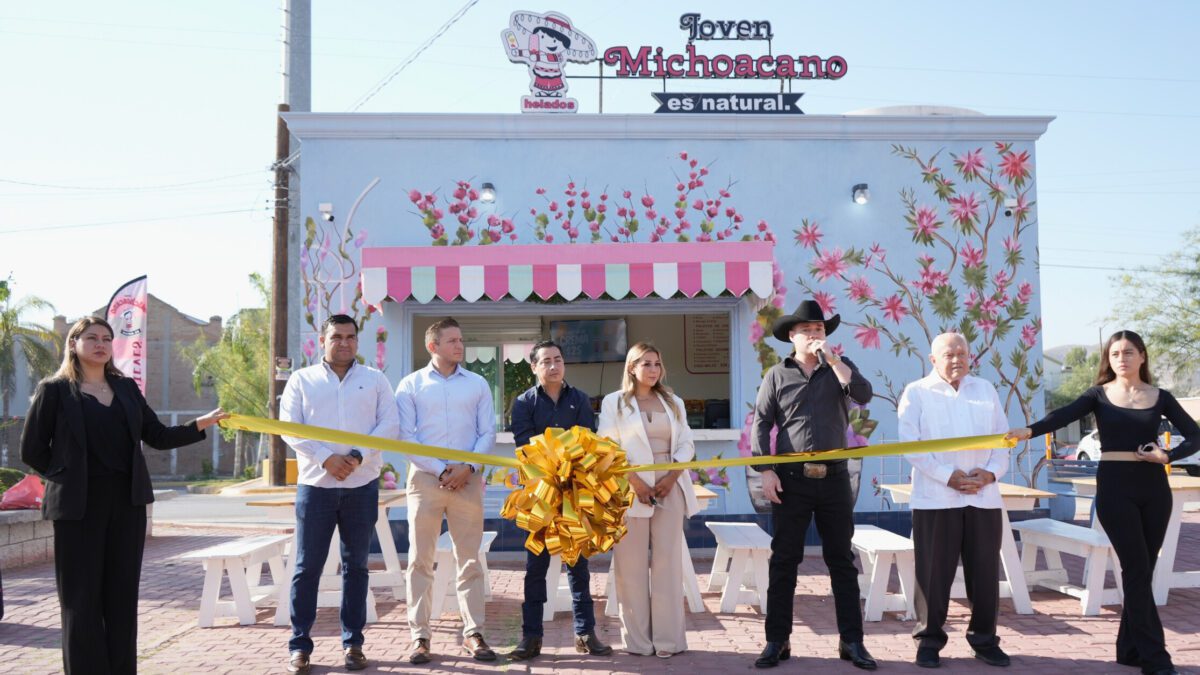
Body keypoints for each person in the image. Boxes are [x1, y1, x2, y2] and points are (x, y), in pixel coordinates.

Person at [20, 317, 227, 674]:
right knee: (80, 600)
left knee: (120, 597)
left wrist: (200, 424)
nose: (100, 344)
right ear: (73, 344)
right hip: (78, 507)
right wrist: (66, 477)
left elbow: (157, 436)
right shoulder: (53, 390)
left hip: (126, 504)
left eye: (106, 338)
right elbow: (32, 450)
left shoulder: (127, 388)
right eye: (91, 338)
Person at [1008, 330, 1198, 675]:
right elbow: (1061, 416)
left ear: (1142, 356)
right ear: (1108, 360)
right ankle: (1156, 659)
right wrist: (1028, 431)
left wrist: (1168, 455)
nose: (1121, 359)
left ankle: (1128, 650)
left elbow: (1197, 435)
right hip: (1114, 488)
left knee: (1143, 571)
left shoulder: (1161, 396)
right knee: (1136, 569)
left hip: (1155, 490)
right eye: (1114, 354)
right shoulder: (1099, 395)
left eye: (1128, 352)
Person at [751, 300, 876, 670]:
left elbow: (864, 396)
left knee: (841, 561)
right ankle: (777, 641)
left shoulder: (841, 368)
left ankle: (851, 642)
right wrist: (766, 470)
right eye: (806, 330)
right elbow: (761, 422)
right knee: (785, 561)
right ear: (792, 336)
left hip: (835, 478)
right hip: (791, 482)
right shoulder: (776, 374)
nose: (814, 334)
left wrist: (835, 362)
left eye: (819, 329)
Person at [279, 314, 400, 674]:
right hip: (316, 487)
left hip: (361, 486)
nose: (344, 342)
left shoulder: (375, 380)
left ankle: (354, 644)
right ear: (322, 340)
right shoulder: (302, 380)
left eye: (350, 337)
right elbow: (289, 427)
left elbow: (389, 424)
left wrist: (357, 457)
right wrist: (325, 458)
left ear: (357, 342)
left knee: (357, 567)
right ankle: (300, 645)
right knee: (307, 567)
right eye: (337, 337)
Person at [898, 333, 1012, 669]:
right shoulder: (916, 392)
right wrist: (947, 475)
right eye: (949, 354)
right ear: (933, 359)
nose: (957, 359)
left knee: (986, 573)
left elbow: (1002, 440)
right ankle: (929, 642)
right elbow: (910, 444)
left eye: (962, 353)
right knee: (933, 575)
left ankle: (985, 640)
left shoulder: (985, 389)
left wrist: (990, 474)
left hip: (983, 497)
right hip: (936, 498)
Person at [395, 318, 497, 665]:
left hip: (468, 481)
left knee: (470, 560)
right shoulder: (410, 385)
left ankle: (473, 633)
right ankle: (420, 637)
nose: (460, 345)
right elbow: (405, 437)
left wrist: (467, 468)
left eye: (461, 339)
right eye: (452, 340)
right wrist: (440, 469)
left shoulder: (478, 384)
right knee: (420, 561)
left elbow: (488, 432)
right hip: (425, 481)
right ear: (432, 346)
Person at [506, 340, 612, 661]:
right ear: (534, 367)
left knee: (578, 568)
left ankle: (585, 633)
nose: (554, 366)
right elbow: (526, 447)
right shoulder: (523, 403)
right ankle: (531, 638)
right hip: (538, 496)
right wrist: (561, 452)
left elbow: (586, 441)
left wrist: (562, 456)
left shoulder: (579, 399)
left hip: (573, 495)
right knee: (535, 568)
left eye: (558, 360)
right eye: (546, 361)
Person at [597, 341, 699, 658]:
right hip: (630, 491)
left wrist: (670, 477)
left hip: (670, 489)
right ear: (631, 367)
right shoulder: (614, 403)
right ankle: (639, 643)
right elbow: (607, 447)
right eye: (646, 364)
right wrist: (635, 481)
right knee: (631, 568)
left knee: (668, 566)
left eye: (657, 364)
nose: (653, 370)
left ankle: (669, 642)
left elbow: (686, 444)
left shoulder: (674, 402)